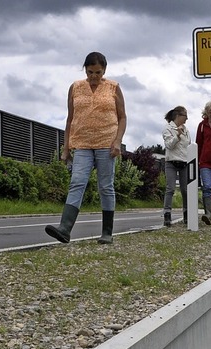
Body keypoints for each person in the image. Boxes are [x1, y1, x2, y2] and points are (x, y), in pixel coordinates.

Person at [45, 51, 127, 244]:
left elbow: (122, 117)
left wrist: (117, 142)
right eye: (90, 72)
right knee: (77, 182)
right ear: (85, 70)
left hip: (106, 144)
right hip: (81, 144)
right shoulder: (75, 87)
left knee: (105, 187)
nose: (94, 77)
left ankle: (107, 232)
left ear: (104, 70)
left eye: (98, 72)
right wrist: (66, 148)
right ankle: (64, 229)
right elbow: (70, 119)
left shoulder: (113, 87)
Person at [162, 106, 191, 227]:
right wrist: (177, 136)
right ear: (178, 116)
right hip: (171, 162)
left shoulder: (186, 130)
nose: (187, 119)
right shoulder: (168, 129)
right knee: (171, 188)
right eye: (185, 116)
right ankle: (167, 214)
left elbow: (189, 145)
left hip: (184, 162)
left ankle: (187, 214)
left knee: (185, 190)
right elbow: (169, 145)